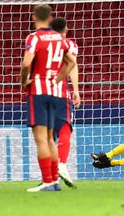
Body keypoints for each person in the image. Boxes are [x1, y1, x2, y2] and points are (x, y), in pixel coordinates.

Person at [21, 4, 76, 192]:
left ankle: (47, 181)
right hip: (56, 93)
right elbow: (72, 61)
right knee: (51, 138)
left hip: (38, 91)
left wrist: (24, 81)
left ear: (34, 17)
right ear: (51, 17)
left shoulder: (34, 37)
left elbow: (27, 63)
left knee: (41, 138)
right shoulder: (60, 39)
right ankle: (53, 181)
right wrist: (58, 78)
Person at [50, 17, 80, 188]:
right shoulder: (69, 44)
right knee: (65, 128)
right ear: (65, 30)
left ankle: (50, 175)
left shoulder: (40, 42)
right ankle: (61, 165)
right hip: (59, 93)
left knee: (48, 136)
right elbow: (72, 65)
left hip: (41, 94)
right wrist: (75, 90)